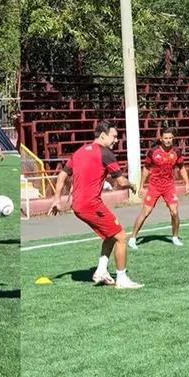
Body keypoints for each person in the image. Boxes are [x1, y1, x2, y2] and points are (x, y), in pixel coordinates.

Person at [49, 120, 143, 289]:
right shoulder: (105, 153)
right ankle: (122, 279)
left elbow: (62, 176)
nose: (116, 140)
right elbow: (121, 182)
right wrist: (133, 185)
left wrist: (57, 199)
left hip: (79, 205)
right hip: (90, 204)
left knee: (110, 235)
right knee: (121, 237)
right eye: (114, 136)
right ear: (102, 135)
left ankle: (101, 271)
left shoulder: (79, 152)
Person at [128, 128, 189, 250]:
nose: (168, 141)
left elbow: (181, 167)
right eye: (166, 138)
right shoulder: (153, 152)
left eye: (170, 138)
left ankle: (175, 237)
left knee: (174, 212)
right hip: (154, 186)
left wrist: (187, 183)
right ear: (161, 139)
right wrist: (142, 186)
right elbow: (146, 168)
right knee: (146, 212)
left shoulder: (176, 151)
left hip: (169, 186)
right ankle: (132, 238)